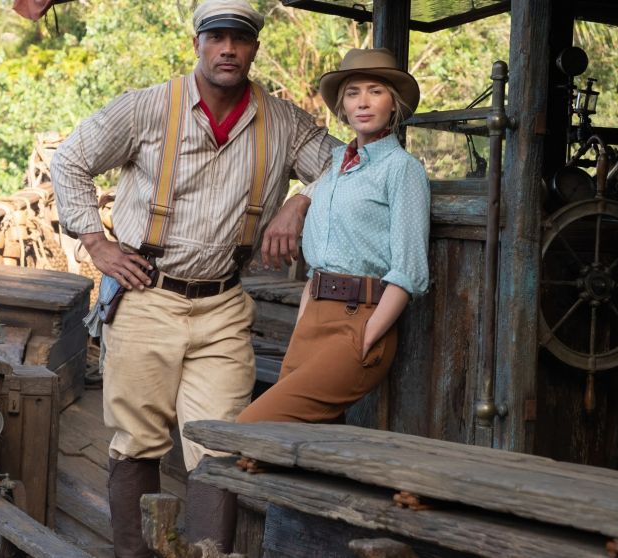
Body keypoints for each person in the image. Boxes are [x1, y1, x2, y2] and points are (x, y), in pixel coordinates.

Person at [49, 1, 341, 555]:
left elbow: (346, 167)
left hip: (224, 305)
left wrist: (299, 202)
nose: (228, 49)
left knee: (219, 444)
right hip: (146, 294)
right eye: (217, 37)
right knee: (138, 440)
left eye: (240, 39)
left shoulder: (283, 122)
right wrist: (96, 243)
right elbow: (69, 160)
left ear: (254, 48)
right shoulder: (147, 107)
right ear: (197, 44)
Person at [236, 48, 430, 441]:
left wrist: (368, 335)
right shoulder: (334, 167)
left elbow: (409, 270)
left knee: (252, 430)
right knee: (305, 447)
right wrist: (303, 321)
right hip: (313, 319)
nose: (363, 102)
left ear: (394, 103)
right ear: (342, 106)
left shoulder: (402, 170)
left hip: (360, 321)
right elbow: (318, 263)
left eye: (376, 91)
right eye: (353, 93)